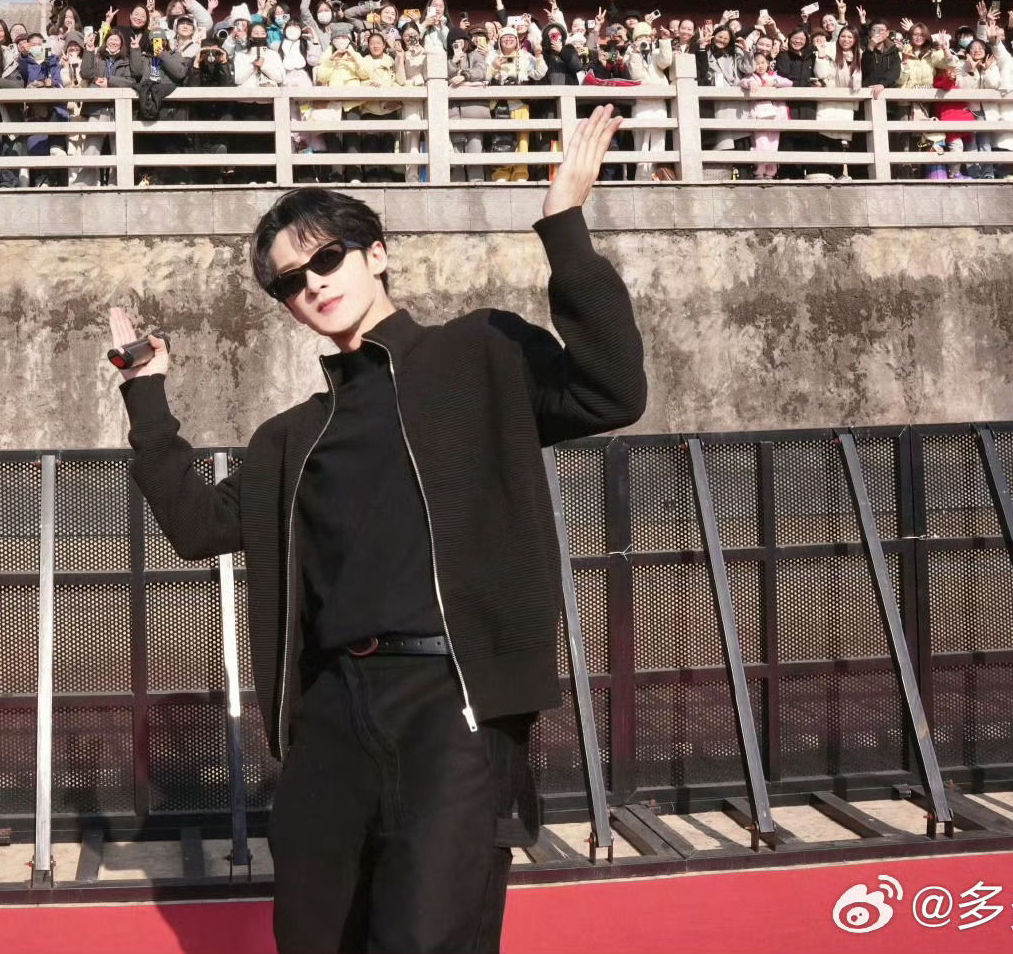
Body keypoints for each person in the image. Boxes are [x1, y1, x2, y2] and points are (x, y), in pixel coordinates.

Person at [107, 102, 643, 954]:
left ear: (376, 253)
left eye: (326, 257)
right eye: (291, 281)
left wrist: (564, 225)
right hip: (330, 712)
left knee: (427, 937)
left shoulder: (478, 353)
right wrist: (147, 393)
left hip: (453, 698)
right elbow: (196, 524)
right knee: (316, 937)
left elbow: (611, 390)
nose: (313, 283)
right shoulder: (291, 437)